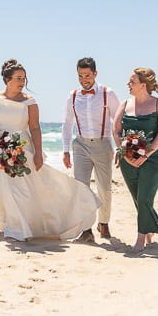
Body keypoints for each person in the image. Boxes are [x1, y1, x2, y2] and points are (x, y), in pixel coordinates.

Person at [0, 58, 101, 241]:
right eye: (19, 78)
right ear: (7, 80)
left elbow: (35, 128)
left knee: (23, 188)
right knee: (1, 188)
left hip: (22, 147)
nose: (23, 82)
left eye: (24, 78)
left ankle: (18, 228)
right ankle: (7, 225)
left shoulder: (29, 101)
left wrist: (38, 153)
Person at [62, 57, 121, 242]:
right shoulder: (72, 95)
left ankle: (103, 223)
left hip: (103, 145)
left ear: (95, 74)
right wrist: (65, 150)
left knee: (104, 188)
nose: (84, 79)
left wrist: (121, 147)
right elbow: (67, 123)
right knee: (81, 189)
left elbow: (118, 121)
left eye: (87, 75)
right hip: (80, 145)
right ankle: (86, 230)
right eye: (80, 76)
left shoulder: (107, 93)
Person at [112, 68, 158, 251]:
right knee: (138, 198)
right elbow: (116, 131)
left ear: (143, 85)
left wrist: (147, 153)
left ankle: (140, 238)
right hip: (128, 159)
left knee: (145, 196)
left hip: (154, 159)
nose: (128, 85)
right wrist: (124, 151)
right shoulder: (124, 104)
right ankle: (149, 228)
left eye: (132, 82)